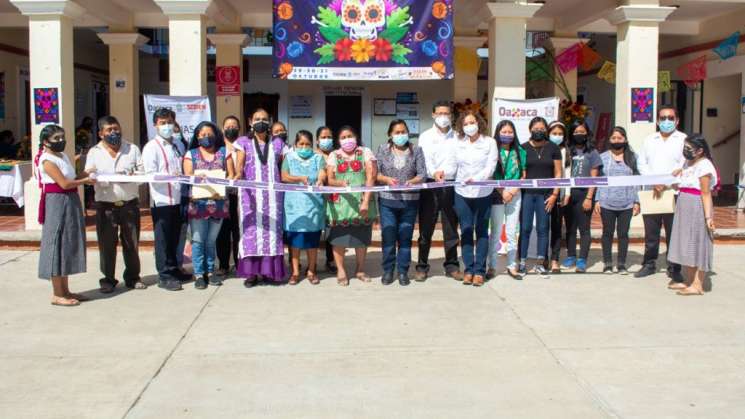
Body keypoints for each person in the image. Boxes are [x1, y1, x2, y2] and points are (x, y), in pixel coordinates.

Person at [35, 124, 95, 306]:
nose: (61, 141)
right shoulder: (47, 160)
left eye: (62, 137)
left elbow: (72, 177)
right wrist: (85, 180)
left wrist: (86, 172)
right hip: (57, 202)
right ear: (46, 142)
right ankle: (57, 293)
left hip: (70, 201)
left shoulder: (62, 156)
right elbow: (64, 183)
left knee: (67, 243)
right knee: (56, 243)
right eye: (56, 139)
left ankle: (66, 290)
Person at [84, 116, 145, 293]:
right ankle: (108, 279)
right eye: (109, 130)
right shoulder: (94, 152)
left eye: (116, 129)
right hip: (106, 206)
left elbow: (142, 173)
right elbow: (89, 175)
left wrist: (131, 177)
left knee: (131, 244)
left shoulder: (132, 149)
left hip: (129, 205)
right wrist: (94, 176)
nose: (113, 132)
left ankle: (133, 277)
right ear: (100, 133)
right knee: (107, 244)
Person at [636, 106, 686, 283]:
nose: (666, 121)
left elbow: (684, 164)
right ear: (657, 120)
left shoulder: (683, 139)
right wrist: (654, 180)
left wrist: (665, 182)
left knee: (674, 232)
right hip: (652, 192)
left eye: (670, 118)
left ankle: (674, 268)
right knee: (651, 232)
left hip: (673, 191)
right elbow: (641, 163)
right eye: (663, 118)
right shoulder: (650, 139)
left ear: (677, 120)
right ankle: (649, 264)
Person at [237, 109, 287, 287]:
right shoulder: (243, 142)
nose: (261, 122)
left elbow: (284, 167)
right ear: (250, 121)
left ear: (270, 121)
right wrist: (235, 176)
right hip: (250, 197)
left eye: (264, 119)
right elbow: (239, 166)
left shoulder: (278, 143)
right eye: (257, 119)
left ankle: (269, 272)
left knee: (272, 233)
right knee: (251, 233)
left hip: (273, 199)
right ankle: (251, 274)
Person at [142, 108, 189, 291]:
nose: (166, 126)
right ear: (155, 125)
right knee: (163, 239)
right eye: (162, 123)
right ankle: (164, 275)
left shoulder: (178, 144)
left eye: (169, 122)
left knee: (176, 238)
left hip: (179, 199)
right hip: (162, 201)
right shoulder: (151, 147)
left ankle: (174, 268)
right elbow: (150, 174)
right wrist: (170, 175)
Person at [376, 120, 426, 286]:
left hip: (409, 201)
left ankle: (403, 271)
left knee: (405, 237)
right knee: (388, 236)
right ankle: (388, 270)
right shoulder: (383, 150)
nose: (400, 135)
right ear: (390, 134)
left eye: (403, 131)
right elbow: (375, 174)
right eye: (397, 132)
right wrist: (385, 179)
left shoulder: (416, 150)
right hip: (387, 201)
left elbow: (422, 174)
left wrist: (413, 181)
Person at [325, 125, 377, 286]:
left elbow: (371, 176)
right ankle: (341, 270)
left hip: (362, 202)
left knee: (361, 238)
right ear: (338, 141)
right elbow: (330, 180)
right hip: (340, 204)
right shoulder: (334, 155)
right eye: (343, 137)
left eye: (350, 136)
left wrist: (366, 201)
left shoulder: (365, 152)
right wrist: (340, 182)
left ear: (356, 137)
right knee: (338, 238)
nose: (347, 140)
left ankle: (360, 269)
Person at [415, 100, 461, 281]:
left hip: (450, 185)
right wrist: (434, 172)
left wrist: (446, 173)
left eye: (447, 114)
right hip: (430, 185)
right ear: (433, 115)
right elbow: (424, 159)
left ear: (451, 116)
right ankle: (421, 266)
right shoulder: (425, 136)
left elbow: (458, 160)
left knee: (451, 229)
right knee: (426, 228)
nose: (443, 117)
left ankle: (452, 266)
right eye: (440, 113)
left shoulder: (458, 136)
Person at [183, 121, 233, 289]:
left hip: (218, 204)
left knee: (211, 240)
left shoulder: (223, 153)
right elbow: (187, 175)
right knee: (198, 240)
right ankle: (199, 274)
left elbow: (231, 175)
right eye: (202, 134)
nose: (206, 137)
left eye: (209, 134)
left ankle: (210, 272)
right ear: (197, 137)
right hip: (199, 204)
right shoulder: (191, 154)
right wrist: (199, 175)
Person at [452, 111, 498, 286]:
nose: (469, 126)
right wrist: (440, 173)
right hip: (462, 192)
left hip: (482, 192)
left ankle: (480, 270)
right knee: (465, 230)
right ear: (461, 127)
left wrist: (477, 178)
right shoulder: (458, 143)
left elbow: (491, 166)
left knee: (481, 231)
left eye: (472, 122)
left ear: (479, 123)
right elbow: (452, 165)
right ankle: (468, 269)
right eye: (465, 124)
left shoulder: (489, 142)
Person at [667, 134, 717, 296]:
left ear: (700, 150)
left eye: (689, 148)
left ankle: (698, 284)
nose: (685, 151)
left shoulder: (705, 166)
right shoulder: (687, 163)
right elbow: (683, 183)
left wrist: (708, 217)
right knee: (685, 242)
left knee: (697, 242)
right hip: (683, 204)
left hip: (697, 205)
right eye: (685, 147)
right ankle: (688, 280)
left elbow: (705, 192)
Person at [282, 130, 327, 285]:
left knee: (312, 241)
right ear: (295, 144)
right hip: (294, 206)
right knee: (295, 242)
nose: (304, 147)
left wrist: (320, 180)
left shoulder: (318, 158)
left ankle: (311, 270)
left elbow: (322, 173)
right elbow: (284, 176)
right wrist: (299, 178)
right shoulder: (289, 157)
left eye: (307, 144)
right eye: (301, 144)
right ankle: (294, 272)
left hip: (313, 205)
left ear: (312, 145)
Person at [519, 117, 562, 277]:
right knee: (525, 228)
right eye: (536, 129)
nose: (539, 131)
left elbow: (558, 173)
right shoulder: (522, 148)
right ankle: (522, 263)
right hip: (527, 195)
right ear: (530, 129)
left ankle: (540, 264)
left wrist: (554, 194)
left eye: (542, 129)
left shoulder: (553, 148)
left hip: (546, 195)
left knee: (544, 229)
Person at [594, 127, 640, 275]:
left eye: (619, 138)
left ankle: (621, 264)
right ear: (610, 140)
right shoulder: (602, 157)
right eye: (613, 138)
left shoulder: (633, 157)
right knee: (607, 233)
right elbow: (599, 180)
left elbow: (636, 181)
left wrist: (637, 201)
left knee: (623, 234)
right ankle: (607, 263)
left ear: (625, 140)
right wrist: (597, 200)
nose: (616, 141)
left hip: (626, 203)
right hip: (607, 202)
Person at [561, 120, 602, 273]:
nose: (579, 135)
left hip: (584, 193)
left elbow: (594, 177)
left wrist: (589, 197)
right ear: (571, 134)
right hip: (568, 193)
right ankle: (571, 255)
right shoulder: (567, 151)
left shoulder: (592, 152)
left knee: (584, 228)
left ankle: (582, 259)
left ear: (587, 133)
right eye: (576, 132)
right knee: (570, 227)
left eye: (582, 132)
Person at [487, 120, 526, 280]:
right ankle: (492, 266)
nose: (507, 135)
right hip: (497, 194)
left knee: (511, 232)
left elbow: (524, 175)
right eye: (504, 132)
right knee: (495, 231)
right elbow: (489, 174)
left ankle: (511, 266)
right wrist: (502, 192)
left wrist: (513, 191)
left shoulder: (520, 151)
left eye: (510, 132)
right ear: (498, 132)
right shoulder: (492, 150)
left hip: (515, 194)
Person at [215, 115, 244, 277]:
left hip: (240, 196)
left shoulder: (243, 147)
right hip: (222, 195)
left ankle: (240, 263)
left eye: (234, 125)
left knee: (238, 230)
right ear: (222, 128)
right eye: (227, 126)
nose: (230, 128)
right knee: (223, 231)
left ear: (239, 129)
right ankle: (224, 265)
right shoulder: (218, 147)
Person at [547, 121, 571, 273]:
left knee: (556, 227)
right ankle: (542, 257)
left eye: (560, 134)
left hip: (559, 193)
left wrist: (567, 192)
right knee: (542, 228)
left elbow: (567, 173)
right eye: (554, 133)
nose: (557, 136)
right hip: (542, 193)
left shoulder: (565, 151)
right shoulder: (543, 148)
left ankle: (554, 259)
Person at [316, 126, 337, 274]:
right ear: (317, 140)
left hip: (333, 199)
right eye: (323, 137)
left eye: (329, 137)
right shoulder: (313, 155)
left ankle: (331, 260)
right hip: (316, 199)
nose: (326, 140)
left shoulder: (336, 155)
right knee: (316, 230)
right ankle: (312, 263)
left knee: (331, 231)